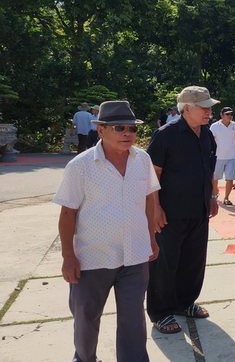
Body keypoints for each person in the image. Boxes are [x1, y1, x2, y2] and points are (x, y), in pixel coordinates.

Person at [53, 101, 160, 362]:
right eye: (119, 127)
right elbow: (68, 213)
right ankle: (85, 359)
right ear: (100, 130)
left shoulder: (142, 159)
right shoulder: (81, 166)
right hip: (93, 257)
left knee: (134, 319)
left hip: (135, 255)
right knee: (86, 320)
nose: (127, 133)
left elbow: (148, 199)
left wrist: (152, 239)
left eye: (132, 129)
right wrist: (69, 256)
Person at [146, 85, 219, 335]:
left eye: (210, 107)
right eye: (204, 107)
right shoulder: (165, 135)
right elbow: (152, 175)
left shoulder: (207, 134)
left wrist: (212, 196)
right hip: (170, 211)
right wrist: (154, 209)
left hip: (198, 209)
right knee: (165, 262)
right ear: (187, 108)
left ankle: (185, 303)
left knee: (194, 260)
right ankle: (161, 312)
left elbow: (208, 168)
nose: (209, 111)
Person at [209, 106, 235, 206]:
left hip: (231, 156)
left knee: (230, 178)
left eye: (231, 114)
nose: (230, 116)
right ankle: (215, 194)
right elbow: (211, 140)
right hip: (218, 156)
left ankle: (226, 198)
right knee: (215, 178)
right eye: (227, 114)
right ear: (221, 115)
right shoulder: (215, 126)